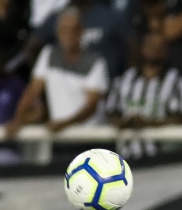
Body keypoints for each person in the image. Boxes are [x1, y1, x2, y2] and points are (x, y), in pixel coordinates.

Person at [6, 7, 108, 137]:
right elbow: (32, 92)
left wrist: (65, 124)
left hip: (89, 136)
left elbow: (91, 106)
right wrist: (18, 119)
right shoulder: (48, 54)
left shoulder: (95, 61)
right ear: (58, 32)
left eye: (73, 30)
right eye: (64, 30)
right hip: (60, 136)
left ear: (81, 31)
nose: (69, 35)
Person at [107, 31, 182, 158]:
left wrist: (148, 123)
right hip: (127, 156)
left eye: (159, 46)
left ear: (166, 51)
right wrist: (123, 123)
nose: (154, 49)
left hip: (163, 158)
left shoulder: (177, 82)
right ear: (141, 48)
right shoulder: (125, 79)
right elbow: (112, 112)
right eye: (150, 44)